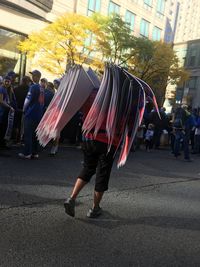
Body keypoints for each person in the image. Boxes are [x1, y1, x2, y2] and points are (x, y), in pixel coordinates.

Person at [63, 90, 116, 218]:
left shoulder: (91, 93)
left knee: (88, 168)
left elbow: (79, 107)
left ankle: (72, 198)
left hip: (88, 137)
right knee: (102, 173)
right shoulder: (118, 98)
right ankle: (95, 208)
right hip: (107, 141)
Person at [18, 70, 44, 159]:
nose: (32, 77)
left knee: (28, 134)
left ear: (37, 77)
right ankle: (34, 152)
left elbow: (27, 100)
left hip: (31, 113)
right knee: (35, 135)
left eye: (33, 75)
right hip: (39, 114)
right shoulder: (42, 88)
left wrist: (24, 110)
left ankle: (27, 153)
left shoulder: (33, 87)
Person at [13, 76, 31, 143]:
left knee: (16, 124)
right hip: (25, 110)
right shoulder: (29, 90)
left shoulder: (15, 89)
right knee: (22, 125)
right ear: (27, 82)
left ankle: (16, 138)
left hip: (17, 109)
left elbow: (13, 99)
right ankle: (20, 138)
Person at [0, 76, 16, 149]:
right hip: (2, 112)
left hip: (5, 111)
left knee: (4, 128)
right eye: (5, 81)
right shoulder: (1, 89)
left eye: (8, 81)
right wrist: (9, 107)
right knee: (2, 128)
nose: (7, 83)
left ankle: (3, 144)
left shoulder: (7, 89)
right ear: (3, 81)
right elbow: (1, 101)